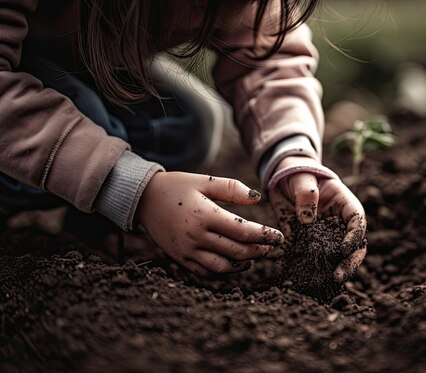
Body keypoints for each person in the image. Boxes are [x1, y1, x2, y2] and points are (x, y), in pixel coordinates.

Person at [0, 0, 367, 282]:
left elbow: (269, 55)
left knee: (186, 125)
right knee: (94, 117)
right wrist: (134, 189)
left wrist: (291, 156)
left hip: (60, 55)